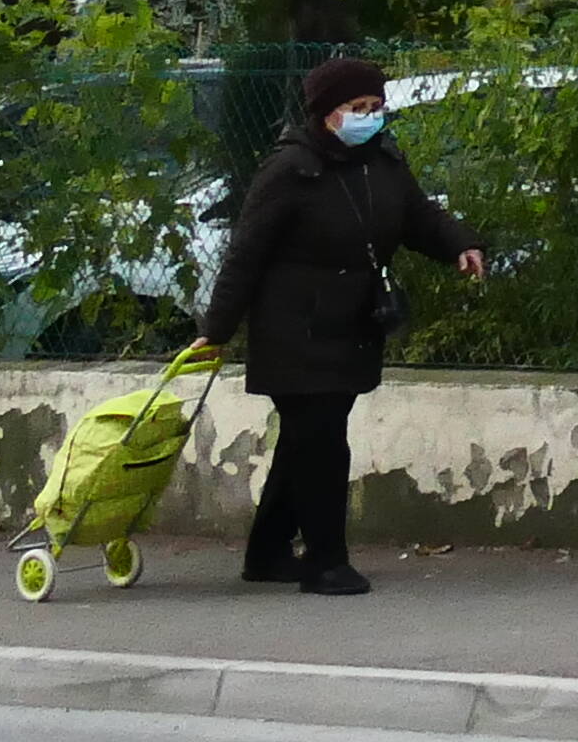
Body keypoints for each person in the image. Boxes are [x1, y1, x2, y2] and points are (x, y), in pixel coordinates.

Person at [196, 55, 484, 595]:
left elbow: (418, 215)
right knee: (322, 443)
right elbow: (245, 254)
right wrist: (217, 330)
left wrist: (459, 245)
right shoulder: (290, 168)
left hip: (352, 325)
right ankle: (327, 562)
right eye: (357, 107)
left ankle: (268, 553)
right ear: (326, 112)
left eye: (376, 107)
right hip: (294, 330)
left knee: (307, 440)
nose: (369, 117)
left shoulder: (383, 161)